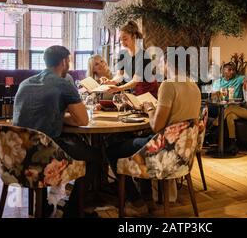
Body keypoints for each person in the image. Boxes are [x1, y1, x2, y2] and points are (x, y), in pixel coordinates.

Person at [105, 52, 201, 216]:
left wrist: (149, 108)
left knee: (111, 149)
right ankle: (147, 197)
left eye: (163, 63)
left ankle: (137, 202)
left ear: (169, 64)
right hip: (182, 155)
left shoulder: (168, 85)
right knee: (133, 142)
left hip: (163, 151)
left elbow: (157, 127)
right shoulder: (194, 86)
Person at [13, 45, 101, 217]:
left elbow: (39, 113)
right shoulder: (63, 84)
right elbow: (83, 120)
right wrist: (67, 117)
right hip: (46, 153)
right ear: (64, 61)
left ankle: (44, 205)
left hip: (19, 156)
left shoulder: (25, 83)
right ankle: (74, 210)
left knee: (73, 145)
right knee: (96, 157)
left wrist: (58, 116)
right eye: (68, 60)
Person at [102, 21, 159, 97]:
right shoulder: (122, 54)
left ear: (134, 37)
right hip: (136, 90)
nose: (122, 42)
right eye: (120, 39)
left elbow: (135, 80)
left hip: (149, 92)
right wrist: (111, 81)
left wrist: (119, 88)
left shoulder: (144, 55)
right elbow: (120, 75)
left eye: (125, 39)